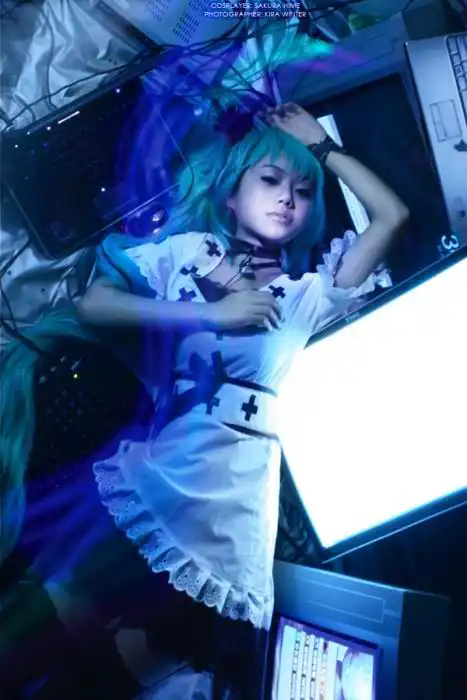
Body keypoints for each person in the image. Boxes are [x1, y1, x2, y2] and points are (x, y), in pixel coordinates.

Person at [0, 103, 408, 698]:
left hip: (233, 513)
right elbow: (96, 305)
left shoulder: (306, 296)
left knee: (121, 677)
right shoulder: (187, 253)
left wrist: (321, 145)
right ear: (232, 195)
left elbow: (391, 216)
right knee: (40, 634)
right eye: (270, 180)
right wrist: (210, 315)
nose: (287, 198)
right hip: (161, 477)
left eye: (302, 191)